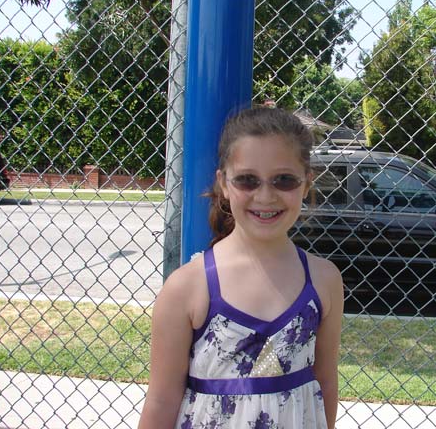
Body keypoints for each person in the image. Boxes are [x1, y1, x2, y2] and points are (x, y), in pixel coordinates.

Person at [138, 106, 344, 429]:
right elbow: (162, 401)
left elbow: (325, 382)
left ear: (306, 183)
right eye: (248, 180)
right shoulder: (188, 287)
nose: (265, 196)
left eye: (284, 180)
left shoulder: (324, 280)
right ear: (223, 182)